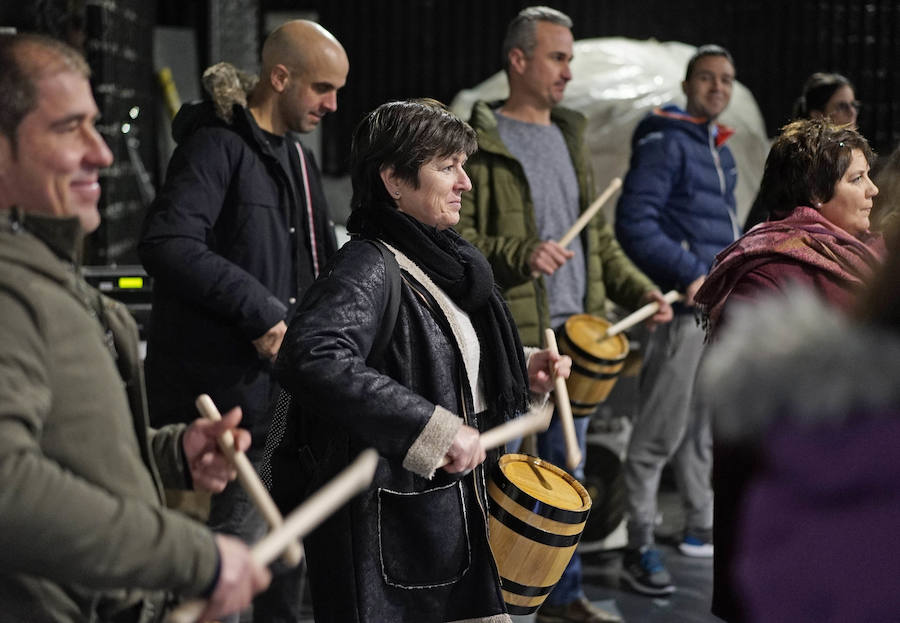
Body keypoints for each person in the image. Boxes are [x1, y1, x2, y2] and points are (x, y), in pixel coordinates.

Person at [0, 32, 269, 623]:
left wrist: (167, 454)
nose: (102, 152)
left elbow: (60, 446)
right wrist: (196, 558)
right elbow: (7, 486)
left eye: (96, 125)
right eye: (69, 128)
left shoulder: (40, 268)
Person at [268, 98, 571, 622]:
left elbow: (440, 357)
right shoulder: (367, 262)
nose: (465, 183)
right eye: (447, 167)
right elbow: (312, 354)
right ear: (393, 180)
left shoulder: (442, 258)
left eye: (464, 166)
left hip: (444, 519)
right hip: (395, 533)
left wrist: (521, 368)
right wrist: (430, 429)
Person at [458, 7, 671, 622]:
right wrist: (520, 254)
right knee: (502, 475)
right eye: (557, 58)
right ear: (518, 60)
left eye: (571, 59)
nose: (568, 73)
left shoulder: (569, 135)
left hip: (575, 333)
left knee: (564, 475)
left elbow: (596, 238)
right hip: (516, 336)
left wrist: (641, 293)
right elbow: (462, 242)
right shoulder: (482, 141)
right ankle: (487, 599)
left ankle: (558, 595)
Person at [138, 19, 347, 622]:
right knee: (227, 567)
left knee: (282, 563)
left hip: (289, 395)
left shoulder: (300, 163)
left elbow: (319, 267)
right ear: (280, 77)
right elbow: (169, 242)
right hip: (231, 397)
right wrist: (262, 313)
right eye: (322, 89)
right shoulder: (216, 145)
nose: (333, 105)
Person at [693, 117, 886, 622]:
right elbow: (753, 427)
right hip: (795, 528)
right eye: (857, 178)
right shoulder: (768, 274)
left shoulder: (863, 259)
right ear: (816, 192)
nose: (874, 190)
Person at [614, 44, 740, 596]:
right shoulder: (666, 140)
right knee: (658, 432)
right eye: (707, 78)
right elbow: (635, 224)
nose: (717, 87)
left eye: (726, 80)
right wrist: (692, 274)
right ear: (688, 85)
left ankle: (698, 524)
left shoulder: (720, 149)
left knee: (700, 429)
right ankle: (638, 543)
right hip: (682, 305)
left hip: (714, 308)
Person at [744, 71, 860, 229]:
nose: (852, 112)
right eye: (842, 106)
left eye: (853, 105)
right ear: (818, 115)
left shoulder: (853, 157)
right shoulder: (796, 159)